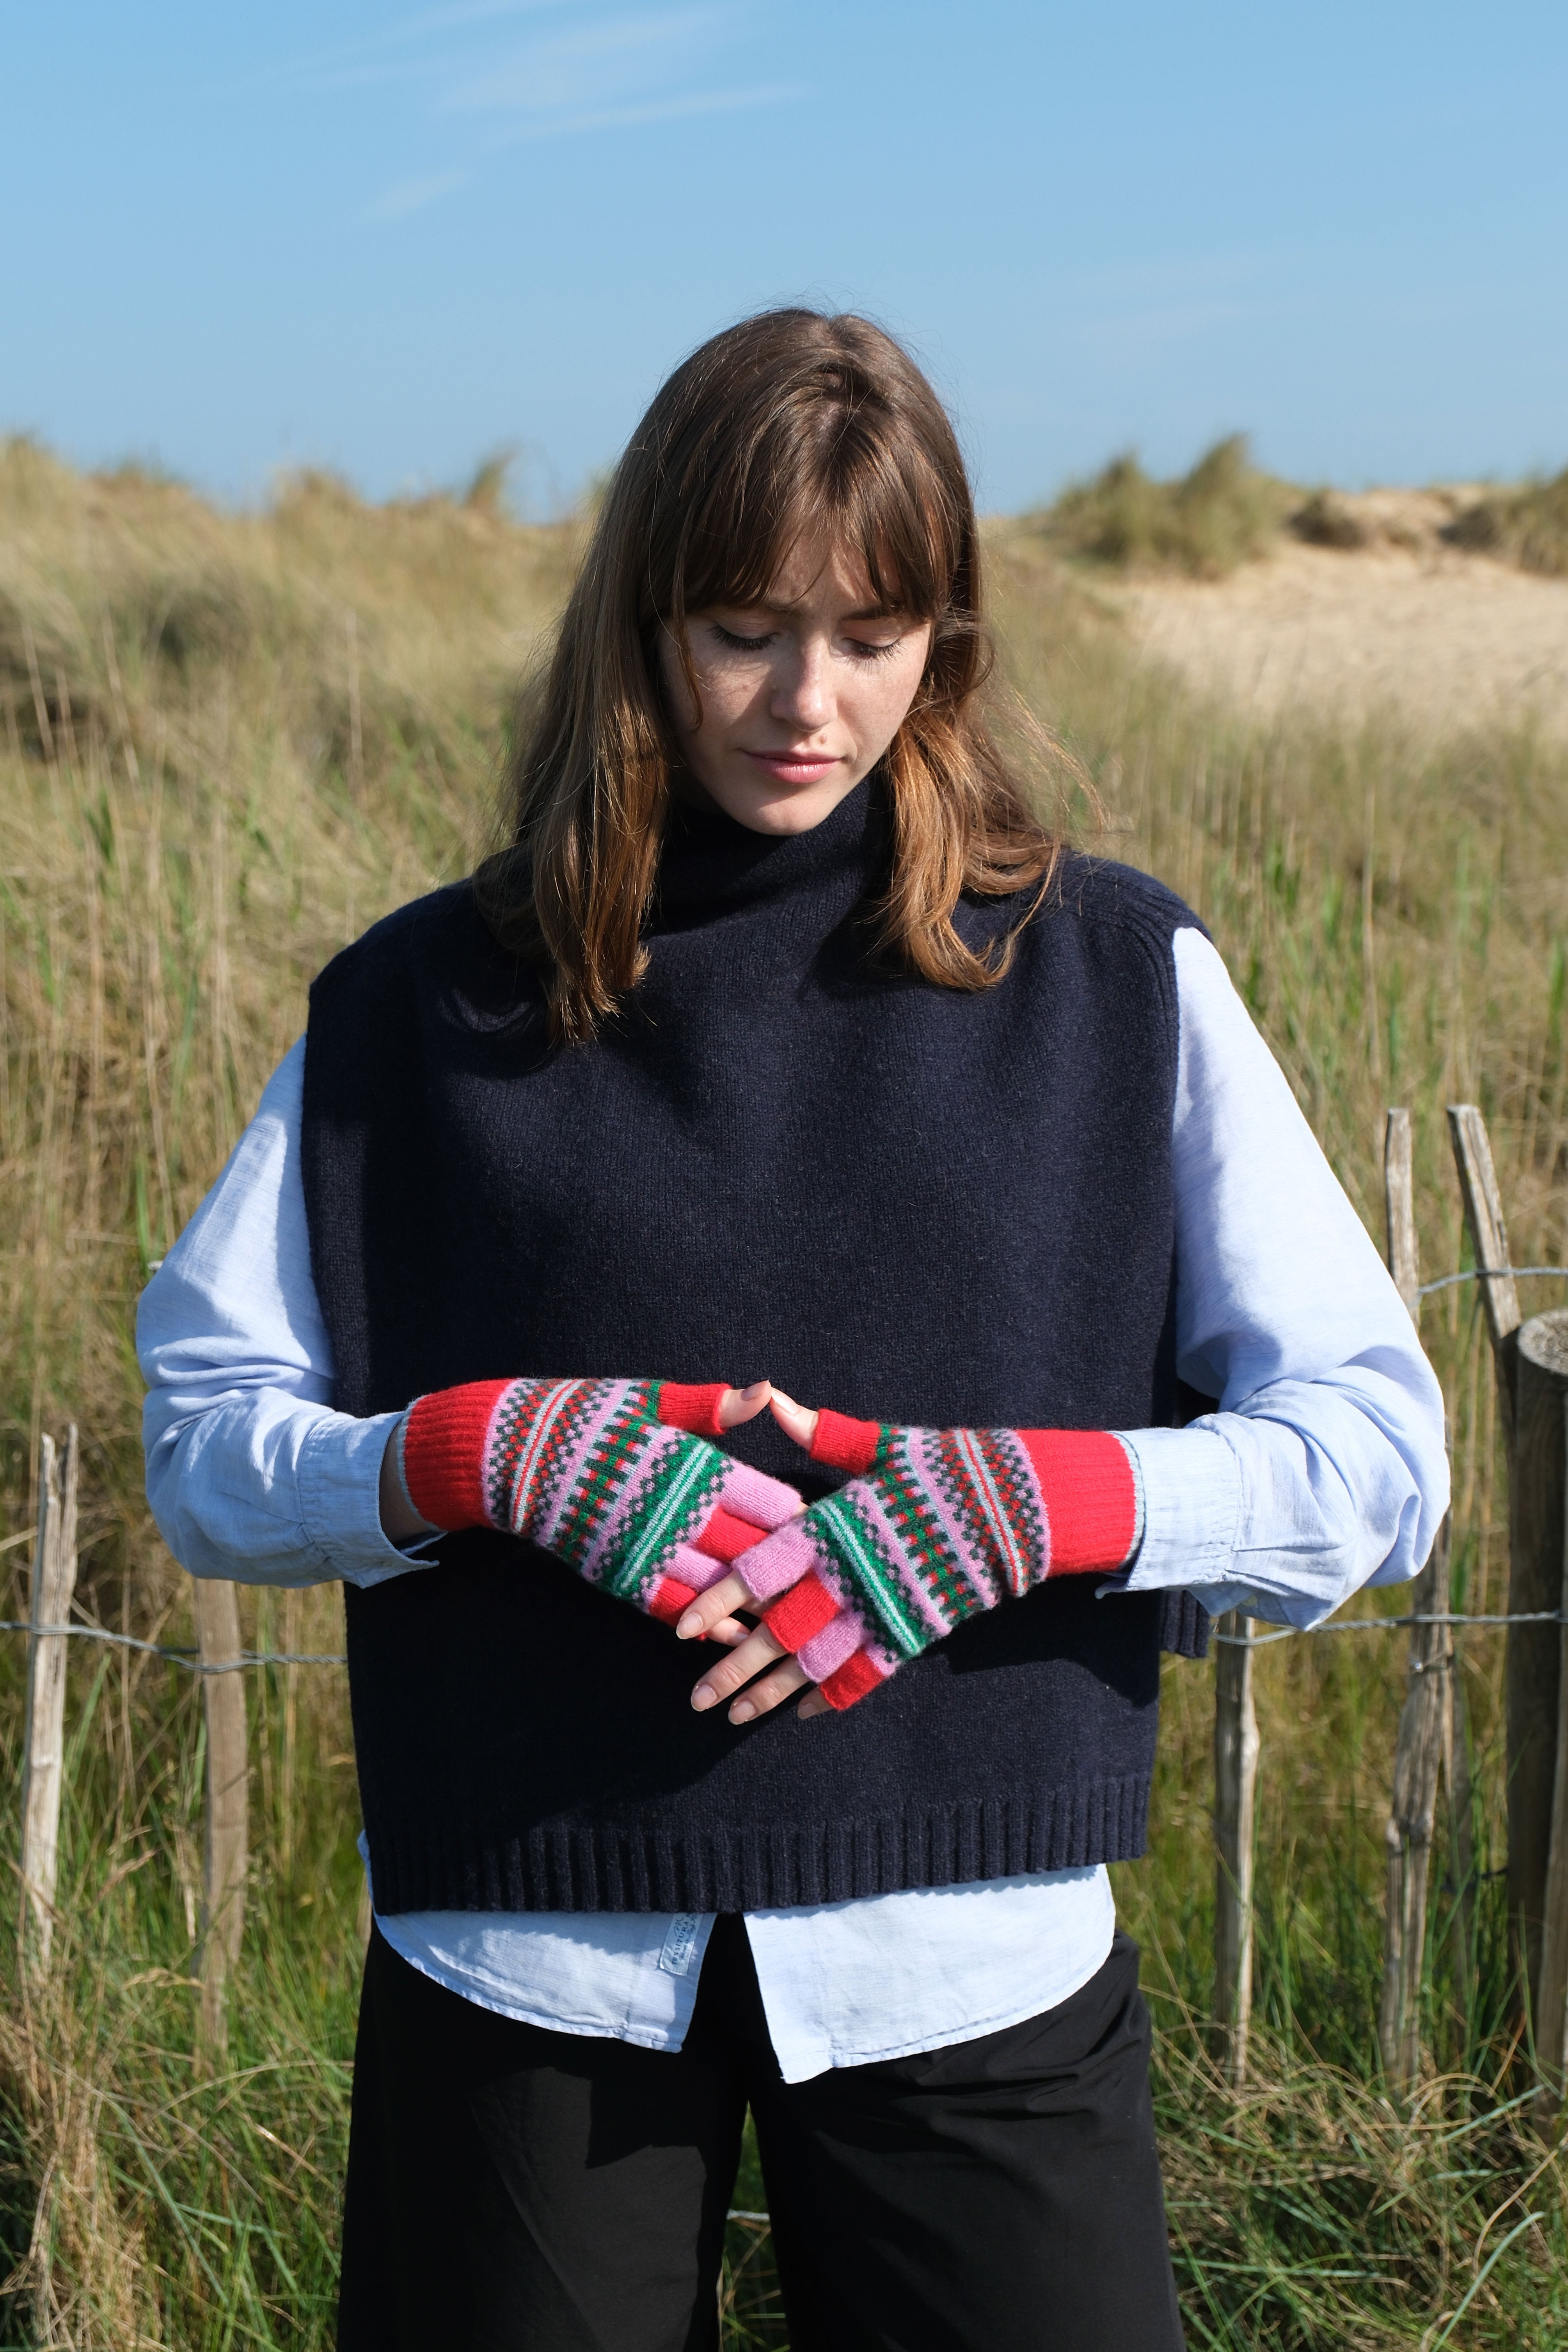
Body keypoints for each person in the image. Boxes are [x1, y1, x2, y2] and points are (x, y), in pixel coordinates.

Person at [140, 308, 1449, 2352]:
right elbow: (205, 1444)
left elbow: (1373, 1454)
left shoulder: (1108, 975)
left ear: (949, 638)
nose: (807, 699)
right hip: (530, 1963)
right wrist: (465, 1458)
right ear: (644, 623)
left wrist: (1030, 1507)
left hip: (973, 1962)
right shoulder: (417, 1004)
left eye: (873, 632)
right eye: (745, 629)